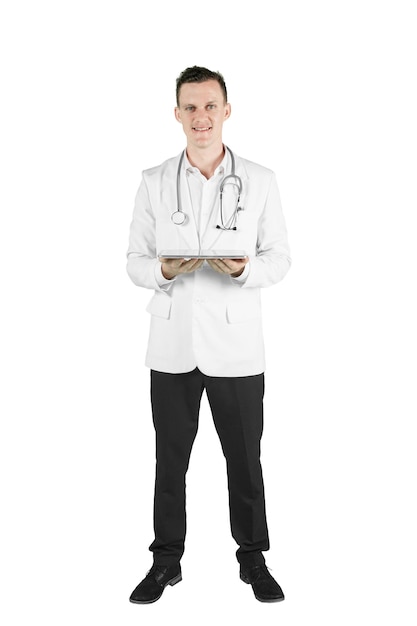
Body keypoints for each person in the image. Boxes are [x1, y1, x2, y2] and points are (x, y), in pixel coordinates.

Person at [126, 66, 291, 604]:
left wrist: (244, 269)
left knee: (244, 458)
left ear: (226, 111)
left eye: (210, 106)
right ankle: (165, 561)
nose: (201, 117)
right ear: (177, 114)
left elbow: (279, 258)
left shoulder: (260, 179)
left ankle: (253, 559)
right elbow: (135, 262)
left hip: (237, 347)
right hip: (172, 345)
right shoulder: (154, 180)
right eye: (190, 107)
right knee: (169, 461)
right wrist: (166, 270)